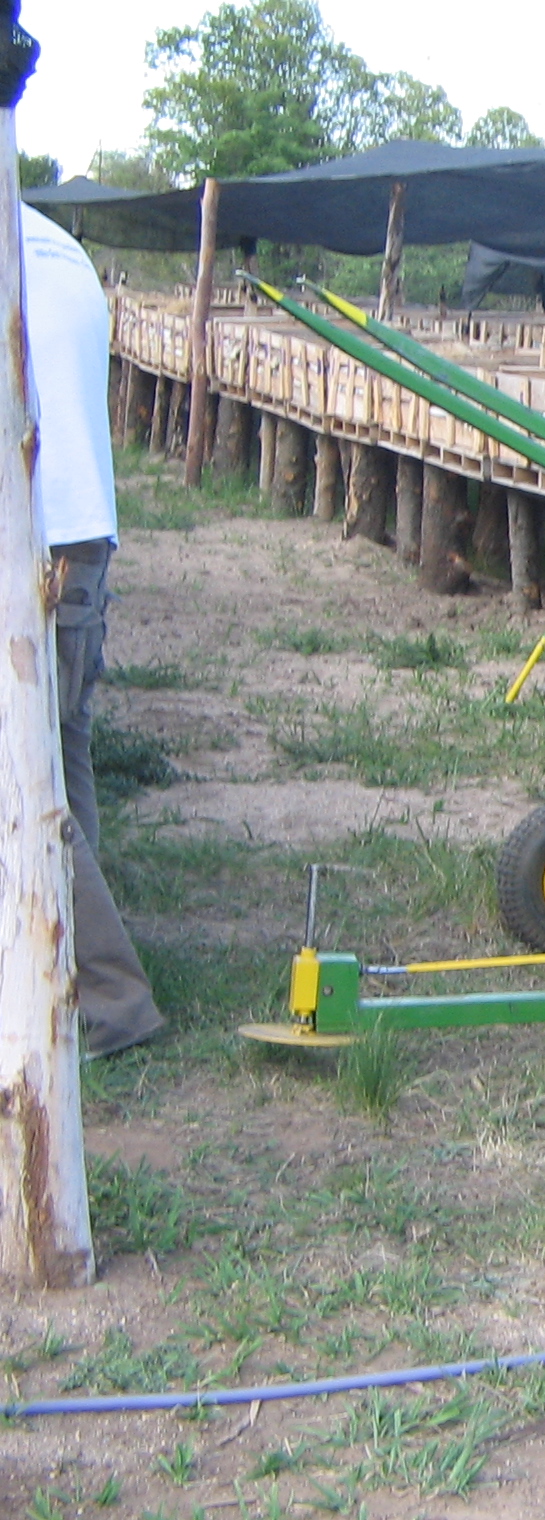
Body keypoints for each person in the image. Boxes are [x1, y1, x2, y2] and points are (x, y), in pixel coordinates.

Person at [23, 201, 163, 1059]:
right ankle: (57, 962)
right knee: (64, 768)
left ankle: (107, 999)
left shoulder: (13, 254)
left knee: (27, 790)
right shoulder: (59, 248)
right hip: (83, 534)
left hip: (35, 541)